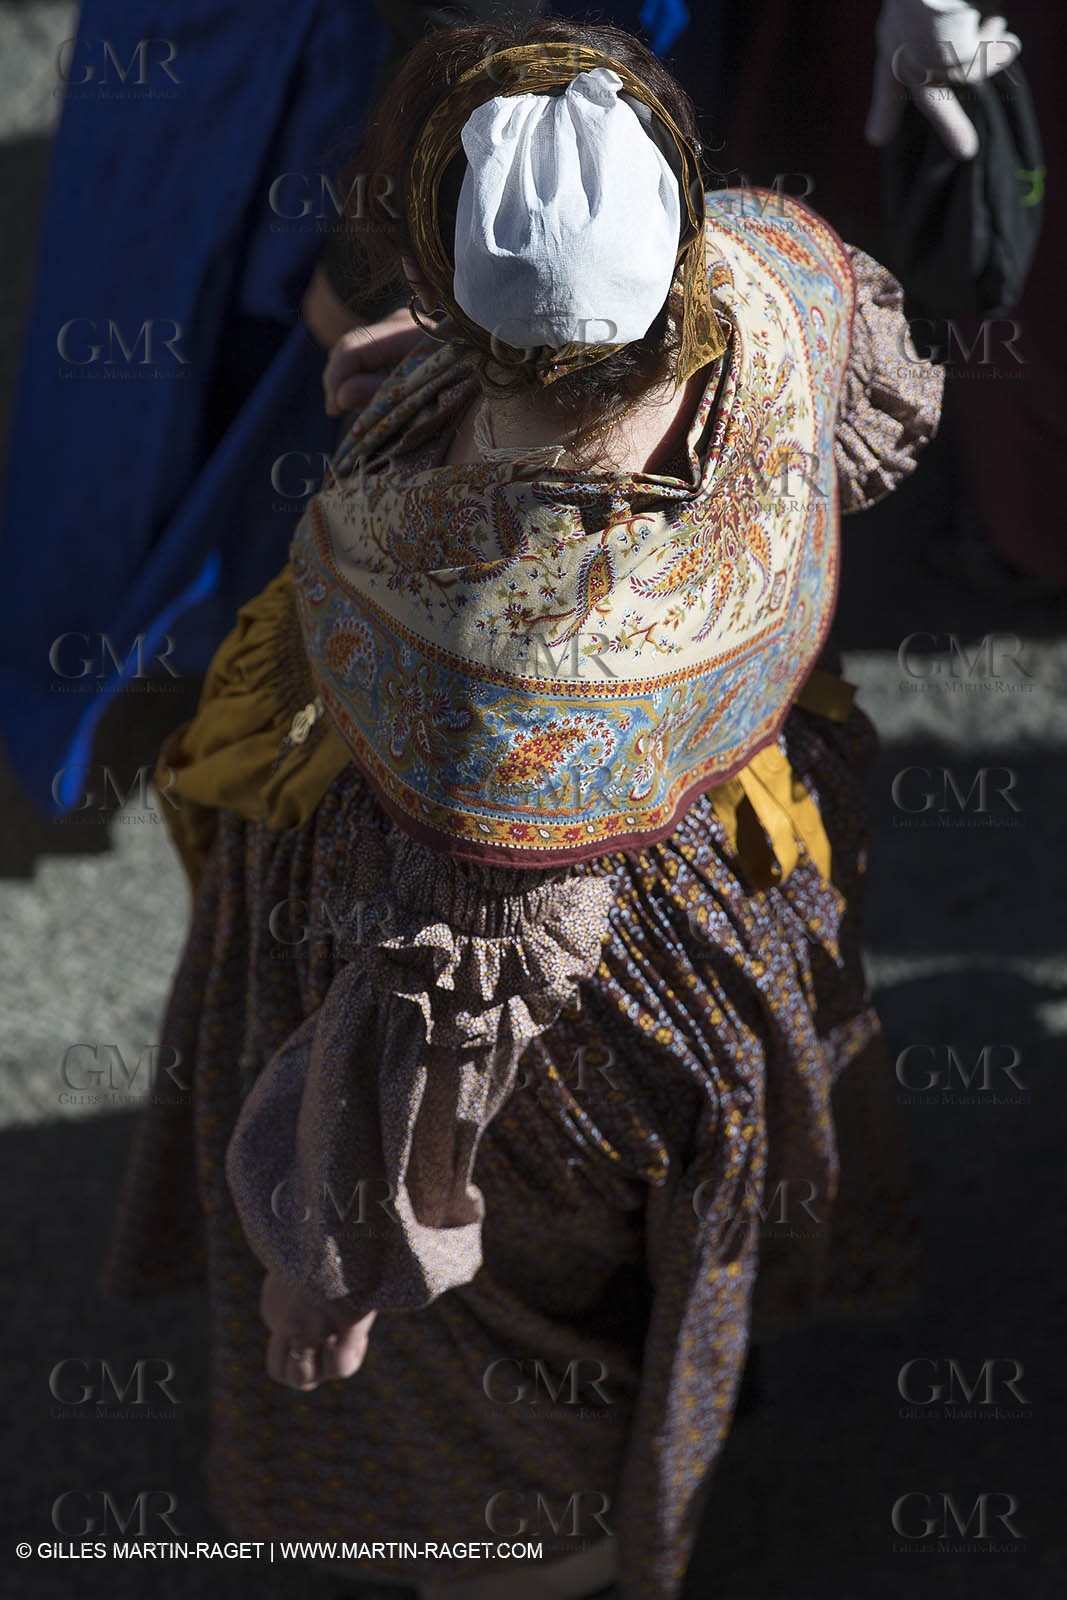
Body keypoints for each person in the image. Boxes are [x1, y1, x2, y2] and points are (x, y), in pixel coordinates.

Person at [104, 18, 942, 1600]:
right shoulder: (771, 278)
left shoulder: (481, 647)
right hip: (713, 918)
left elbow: (450, 1008)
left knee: (479, 1399)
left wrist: (336, 1253)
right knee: (655, 1249)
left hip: (517, 1018)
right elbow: (865, 401)